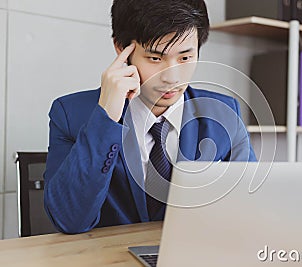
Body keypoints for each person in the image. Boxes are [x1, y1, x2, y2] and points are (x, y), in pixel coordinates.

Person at [44, 0, 256, 234]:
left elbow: (251, 209)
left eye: (185, 58)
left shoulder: (224, 113)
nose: (172, 78)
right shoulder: (71, 114)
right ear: (121, 48)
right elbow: (69, 221)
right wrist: (106, 117)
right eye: (155, 58)